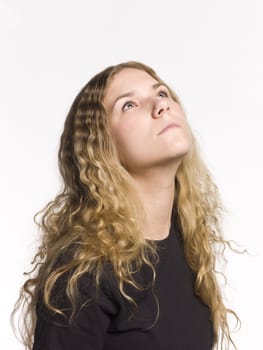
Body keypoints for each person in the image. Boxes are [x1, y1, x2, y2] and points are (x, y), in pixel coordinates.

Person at [13, 61, 240, 350]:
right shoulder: (84, 274)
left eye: (161, 93)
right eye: (129, 105)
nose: (160, 106)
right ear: (103, 146)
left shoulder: (187, 244)